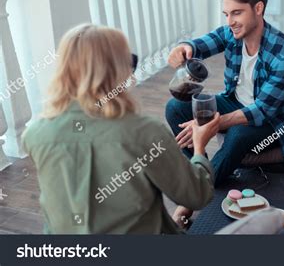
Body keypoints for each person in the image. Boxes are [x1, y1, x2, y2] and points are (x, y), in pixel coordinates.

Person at [21, 24, 219, 234]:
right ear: (117, 71)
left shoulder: (35, 134)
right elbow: (197, 196)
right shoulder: (146, 133)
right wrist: (199, 148)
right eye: (130, 61)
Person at [166, 0, 284, 221]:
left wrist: (211, 125)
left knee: (237, 134)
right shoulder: (231, 33)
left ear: (258, 9)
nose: (230, 22)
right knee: (176, 108)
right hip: (235, 101)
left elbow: (261, 111)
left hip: (272, 122)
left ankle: (191, 198)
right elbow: (200, 45)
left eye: (236, 13)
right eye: (226, 14)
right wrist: (184, 47)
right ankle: (201, 169)